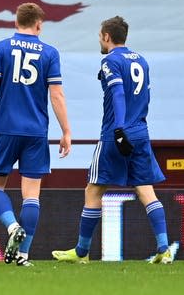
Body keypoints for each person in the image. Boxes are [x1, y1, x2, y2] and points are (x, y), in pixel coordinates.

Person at [52, 16, 172, 264]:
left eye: (100, 35)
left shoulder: (110, 60)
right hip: (140, 131)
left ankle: (82, 253)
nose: (99, 39)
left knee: (94, 189)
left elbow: (118, 92)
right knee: (146, 189)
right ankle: (164, 249)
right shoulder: (141, 60)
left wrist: (119, 129)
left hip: (116, 134)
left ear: (107, 36)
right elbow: (145, 98)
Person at [0, 2, 71, 267]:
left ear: (16, 22)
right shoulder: (50, 53)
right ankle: (23, 253)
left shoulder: (1, 48)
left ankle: (11, 225)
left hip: (5, 129)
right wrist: (66, 131)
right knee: (31, 196)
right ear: (39, 25)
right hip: (36, 132)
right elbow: (56, 94)